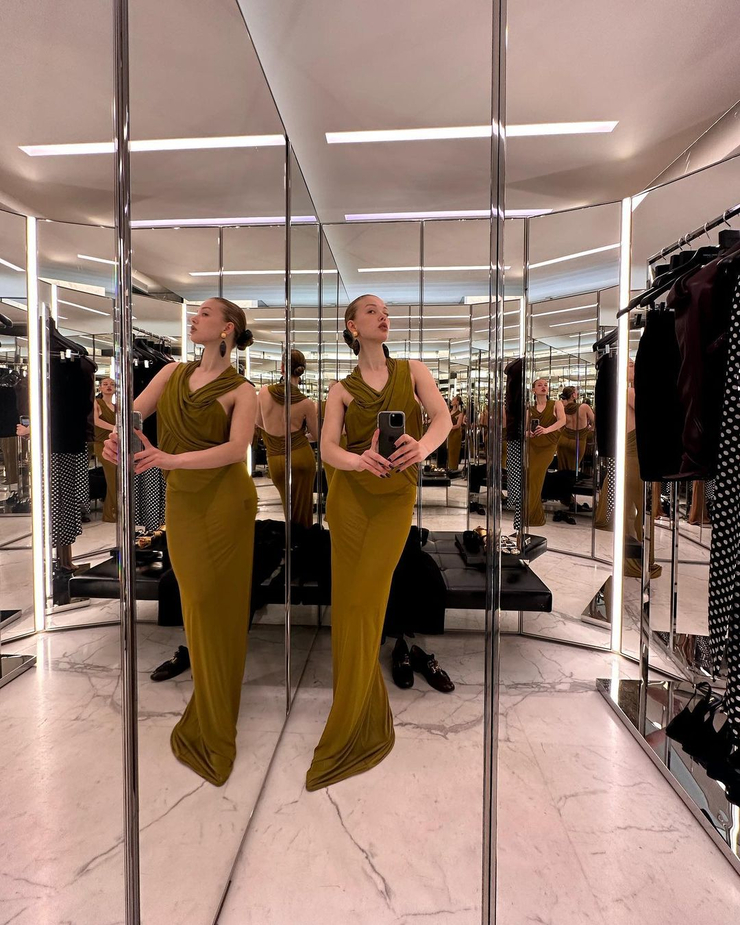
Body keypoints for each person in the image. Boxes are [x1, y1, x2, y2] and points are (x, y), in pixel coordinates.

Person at [104, 296, 257, 786]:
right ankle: (208, 694)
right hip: (185, 502)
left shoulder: (243, 390)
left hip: (227, 502)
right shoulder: (171, 373)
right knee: (196, 599)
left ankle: (218, 708)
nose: (194, 318)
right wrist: (118, 435)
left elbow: (236, 449)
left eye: (205, 314)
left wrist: (168, 460)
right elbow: (131, 413)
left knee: (221, 604)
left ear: (227, 329)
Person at [306, 293, 451, 791]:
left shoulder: (412, 371)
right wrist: (358, 459)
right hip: (350, 497)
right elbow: (327, 447)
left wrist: (421, 447)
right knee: (350, 602)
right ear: (352, 326)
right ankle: (355, 702)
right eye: (371, 311)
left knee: (368, 596)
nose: (382, 316)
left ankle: (357, 712)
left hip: (394, 499)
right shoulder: (339, 389)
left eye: (385, 311)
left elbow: (442, 418)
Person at [257, 349, 318, 530]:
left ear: (282, 368)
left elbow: (257, 422)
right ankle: (302, 543)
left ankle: (291, 541)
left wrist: (274, 433)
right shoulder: (306, 403)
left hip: (275, 458)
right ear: (302, 370)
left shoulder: (264, 392)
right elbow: (317, 435)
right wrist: (301, 436)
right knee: (303, 510)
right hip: (300, 456)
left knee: (288, 508)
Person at [521, 378, 565, 528]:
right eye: (539, 385)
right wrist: (528, 433)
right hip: (533, 445)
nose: (543, 387)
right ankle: (535, 515)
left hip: (548, 446)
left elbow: (562, 421)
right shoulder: (529, 408)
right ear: (533, 390)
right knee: (531, 477)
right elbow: (524, 429)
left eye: (545, 385)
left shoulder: (556, 404)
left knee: (535, 476)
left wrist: (546, 430)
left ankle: (529, 515)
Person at [93, 376, 118, 522]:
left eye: (112, 384)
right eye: (105, 384)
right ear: (100, 388)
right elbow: (96, 421)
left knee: (115, 477)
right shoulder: (97, 403)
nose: (109, 386)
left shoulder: (116, 407)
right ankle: (114, 511)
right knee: (113, 476)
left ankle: (110, 513)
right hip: (101, 444)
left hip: (114, 443)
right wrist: (115, 427)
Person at [556, 386, 594, 474]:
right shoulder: (584, 407)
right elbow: (595, 422)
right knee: (574, 470)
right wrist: (589, 429)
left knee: (561, 471)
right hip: (578, 441)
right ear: (573, 395)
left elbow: (558, 428)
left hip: (563, 441)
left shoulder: (562, 409)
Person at [447, 395, 466, 470]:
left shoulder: (460, 413)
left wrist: (449, 428)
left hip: (456, 434)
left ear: (457, 402)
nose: (452, 401)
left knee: (454, 451)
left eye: (453, 400)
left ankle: (454, 468)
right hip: (450, 433)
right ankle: (450, 467)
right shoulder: (449, 411)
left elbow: (458, 425)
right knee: (450, 451)